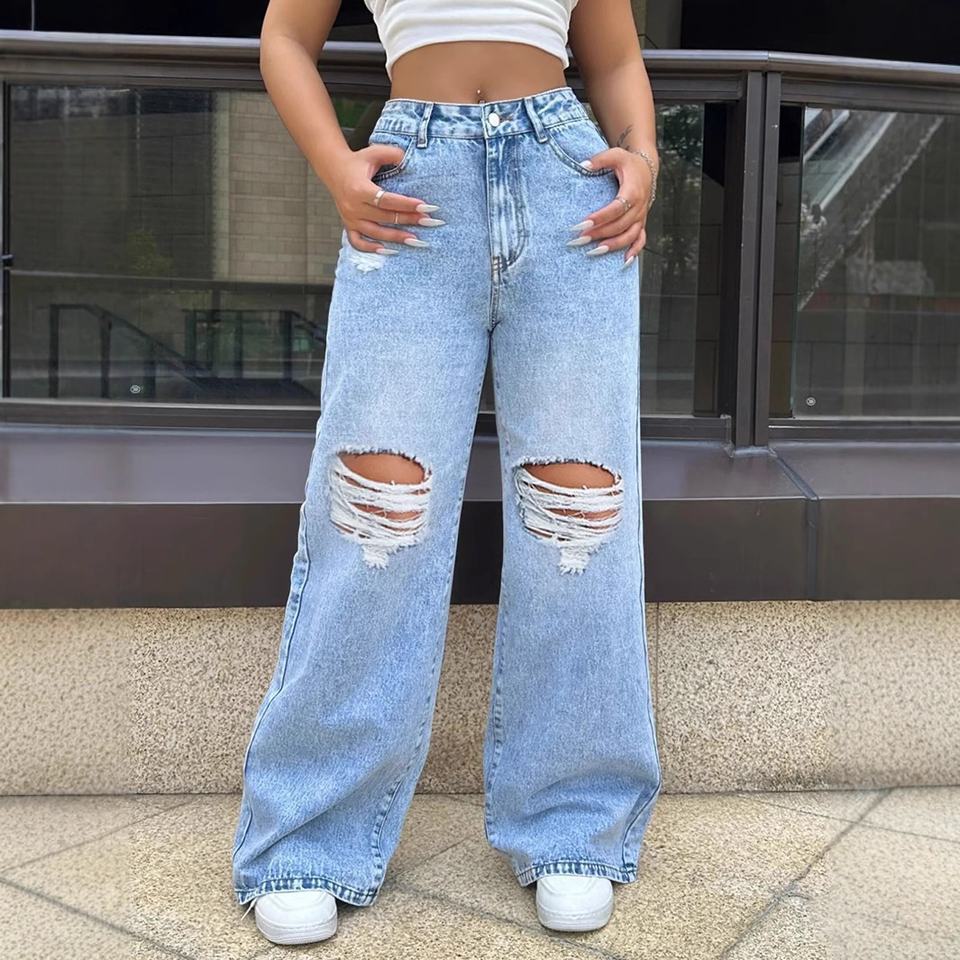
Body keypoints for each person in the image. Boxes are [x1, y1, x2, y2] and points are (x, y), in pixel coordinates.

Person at [231, 0, 662, 946]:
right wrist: (336, 168)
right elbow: (285, 40)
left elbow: (614, 59)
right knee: (375, 522)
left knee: (578, 525)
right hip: (410, 197)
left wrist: (643, 157)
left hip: (571, 195)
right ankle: (309, 834)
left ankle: (573, 824)